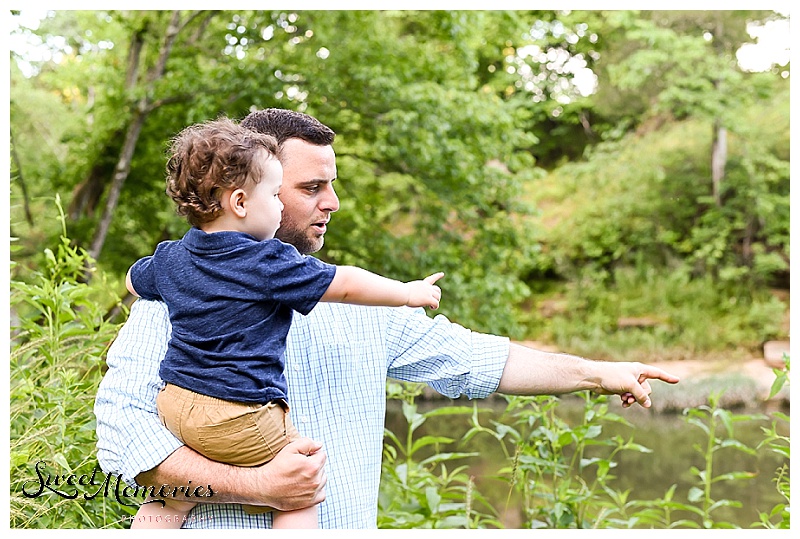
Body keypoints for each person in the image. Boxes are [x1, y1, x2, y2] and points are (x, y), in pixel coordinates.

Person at [94, 108, 680, 529]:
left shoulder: (364, 305)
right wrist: (257, 486)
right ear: (243, 193)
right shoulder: (179, 295)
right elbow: (123, 435)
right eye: (310, 186)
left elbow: (482, 360)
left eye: (334, 185)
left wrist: (599, 372)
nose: (333, 202)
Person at [123, 117, 443, 529]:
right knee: (300, 484)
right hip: (237, 415)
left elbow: (134, 280)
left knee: (171, 497)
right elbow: (343, 284)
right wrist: (406, 292)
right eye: (275, 195)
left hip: (175, 407)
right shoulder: (267, 261)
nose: (278, 205)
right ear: (240, 203)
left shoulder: (170, 257)